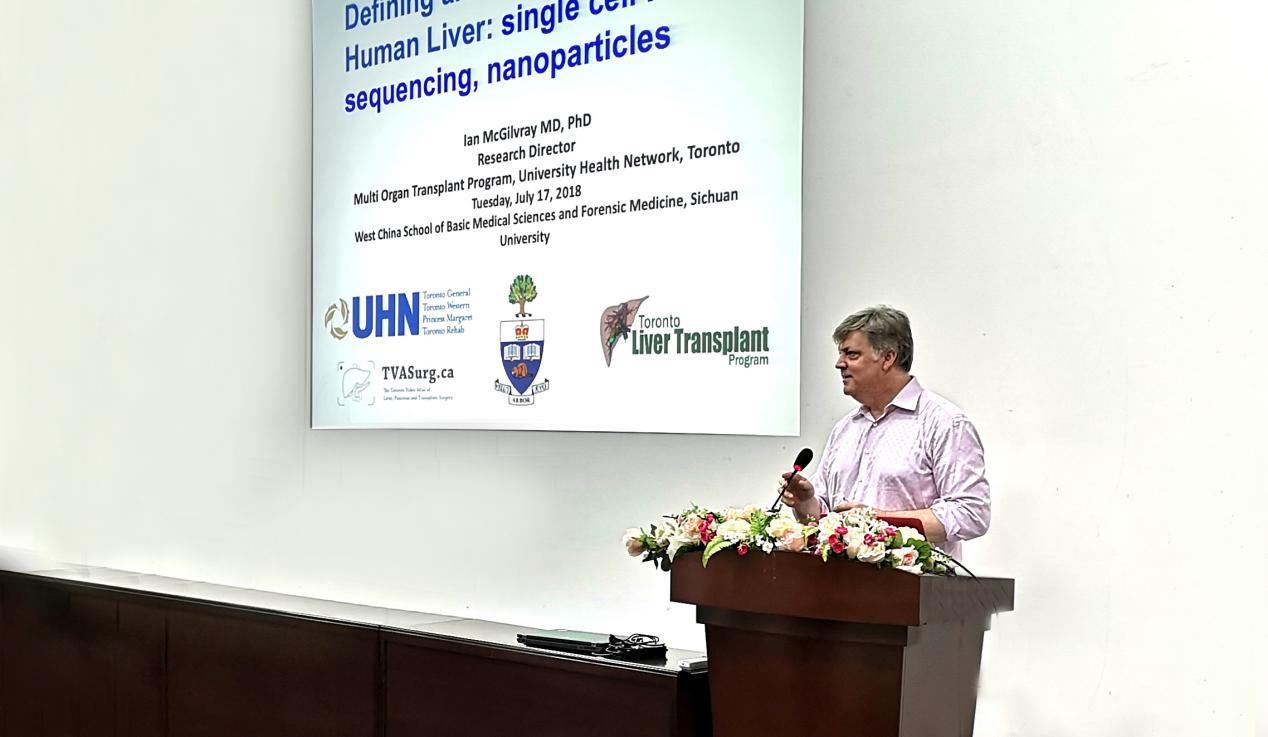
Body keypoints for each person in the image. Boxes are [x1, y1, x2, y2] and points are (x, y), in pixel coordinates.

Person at [781, 306, 991, 559]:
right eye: (840, 354)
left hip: (913, 580)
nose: (839, 364)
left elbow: (971, 514)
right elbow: (824, 518)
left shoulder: (944, 422)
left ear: (888, 358)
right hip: (838, 578)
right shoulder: (846, 428)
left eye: (852, 354)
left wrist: (877, 522)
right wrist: (806, 502)